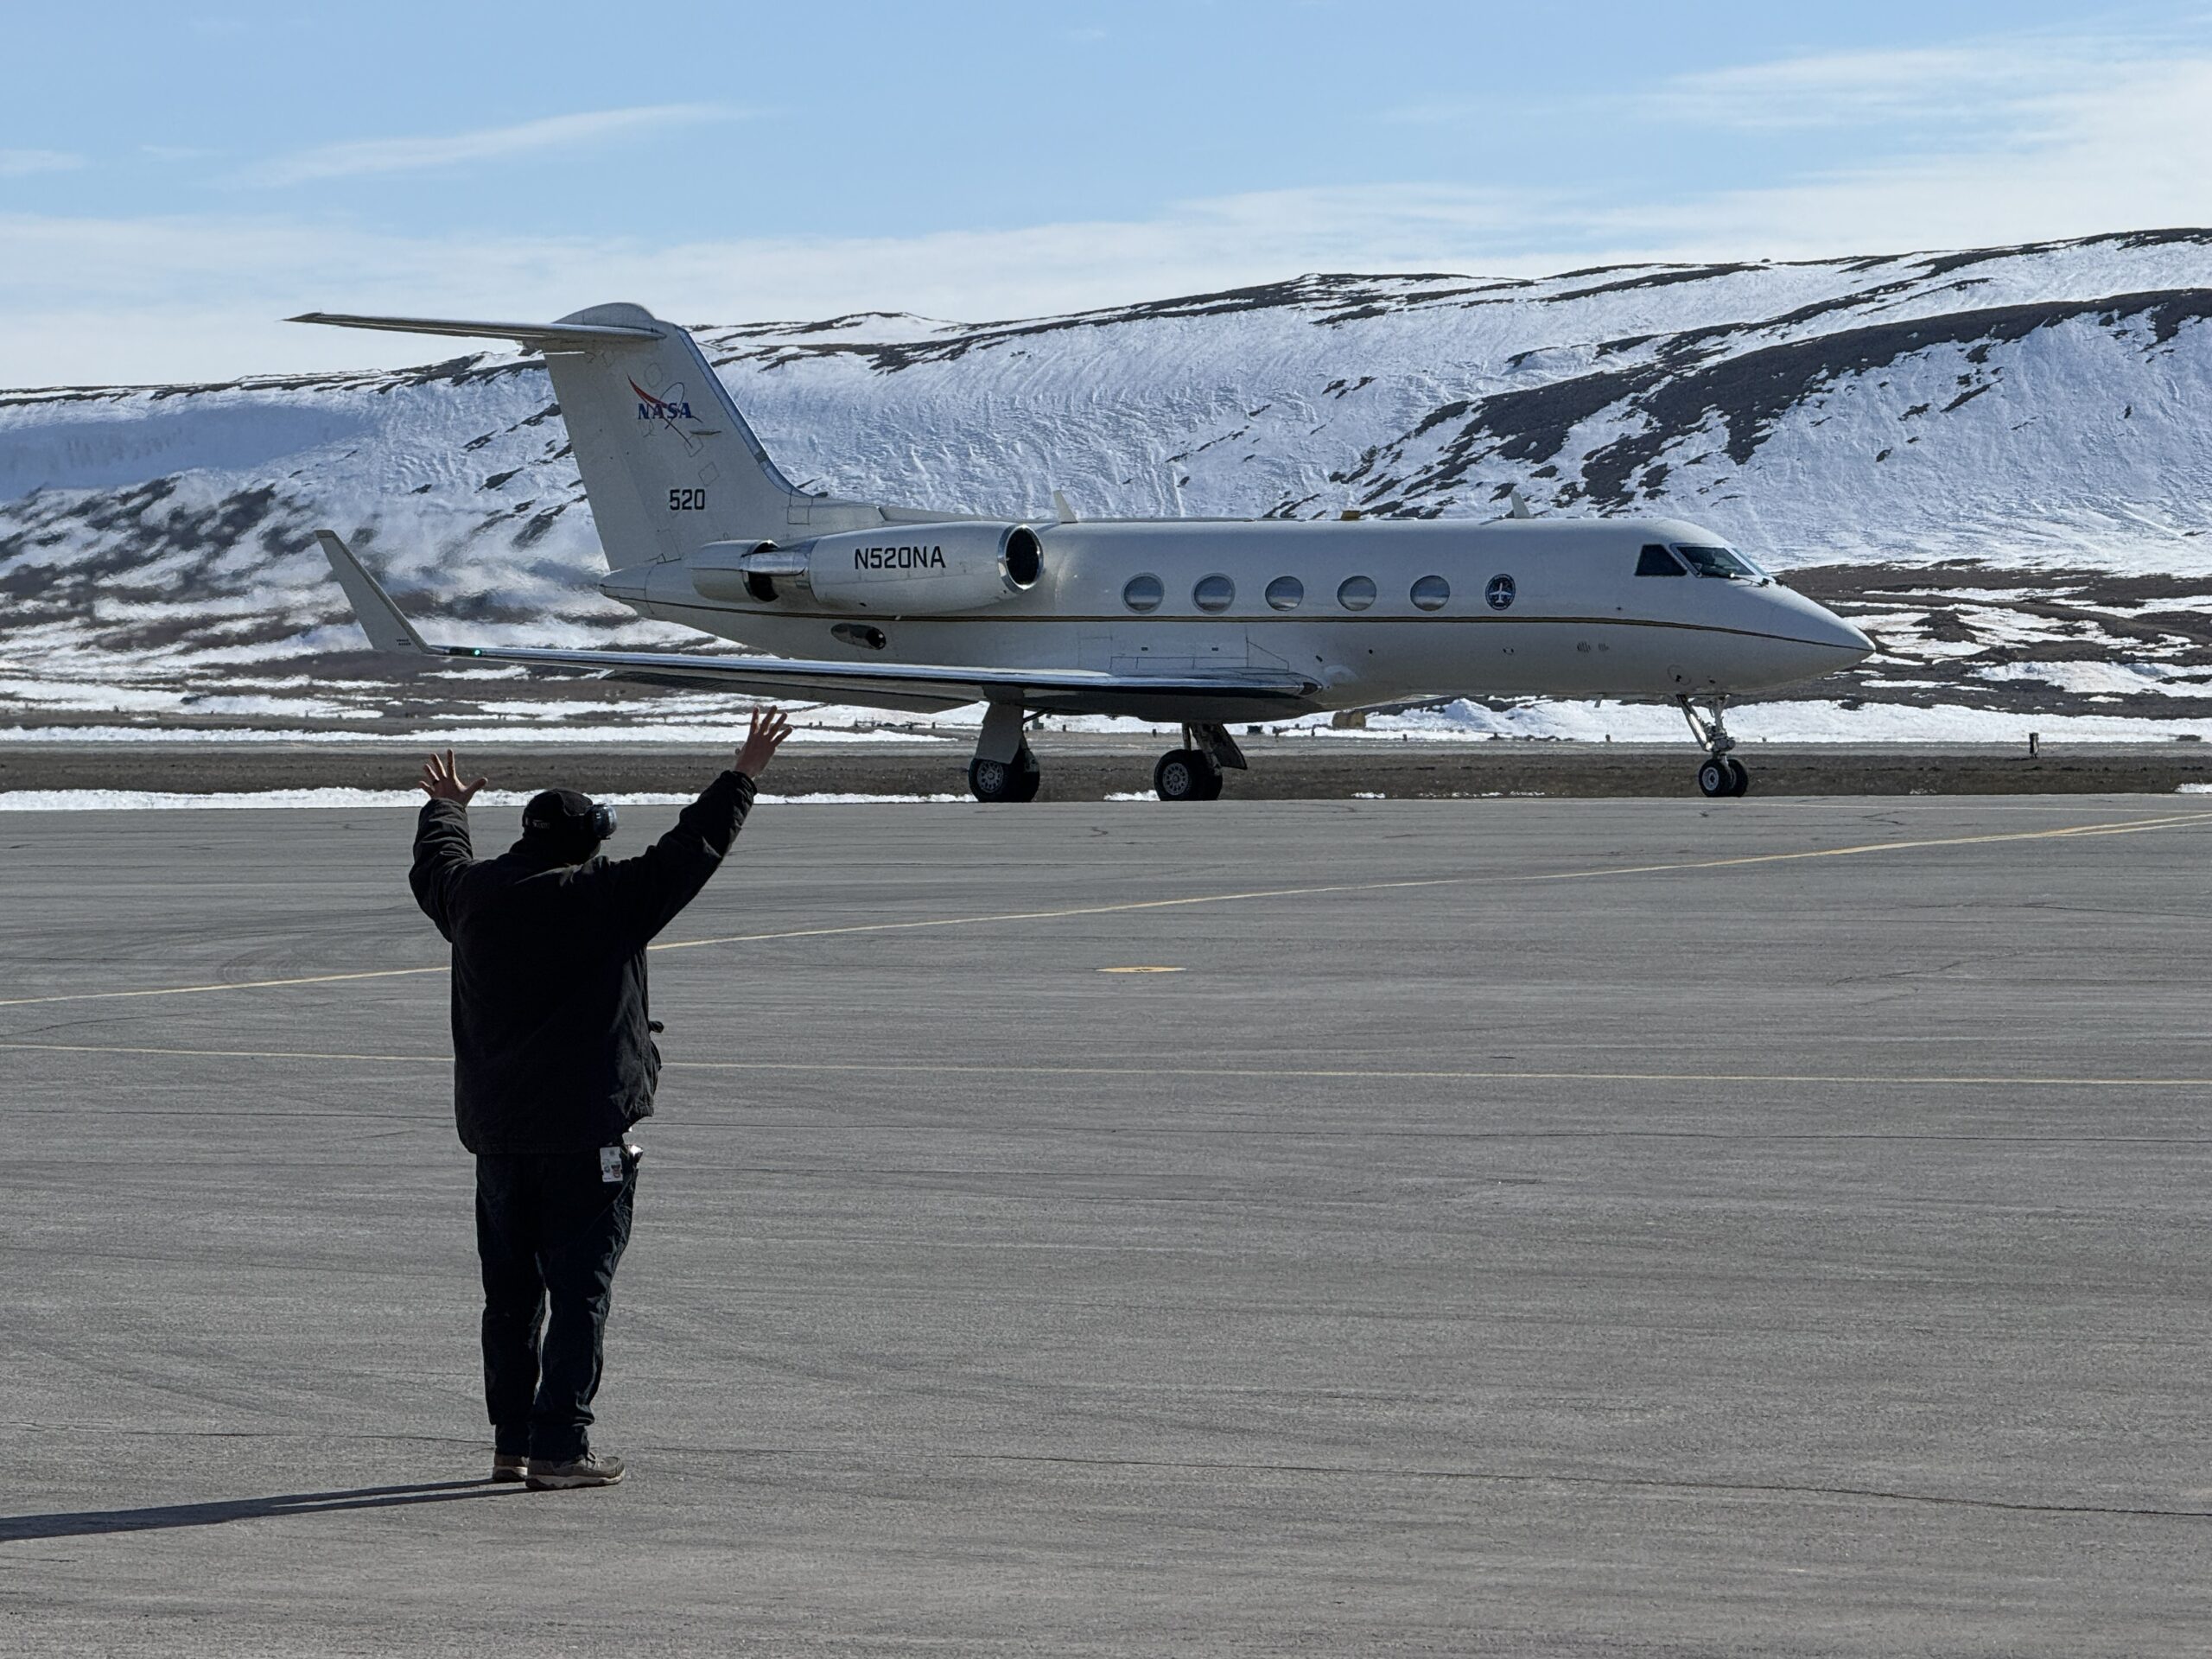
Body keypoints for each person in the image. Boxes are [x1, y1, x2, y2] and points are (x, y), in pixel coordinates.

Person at [409, 707, 792, 1490]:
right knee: (580, 1291)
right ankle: (560, 1446)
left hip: (497, 1135)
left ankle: (513, 1443)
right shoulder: (609, 896)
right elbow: (693, 847)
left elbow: (437, 865)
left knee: (509, 1297)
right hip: (585, 1135)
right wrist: (742, 774)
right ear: (586, 842)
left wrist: (446, 807)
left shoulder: (474, 897)